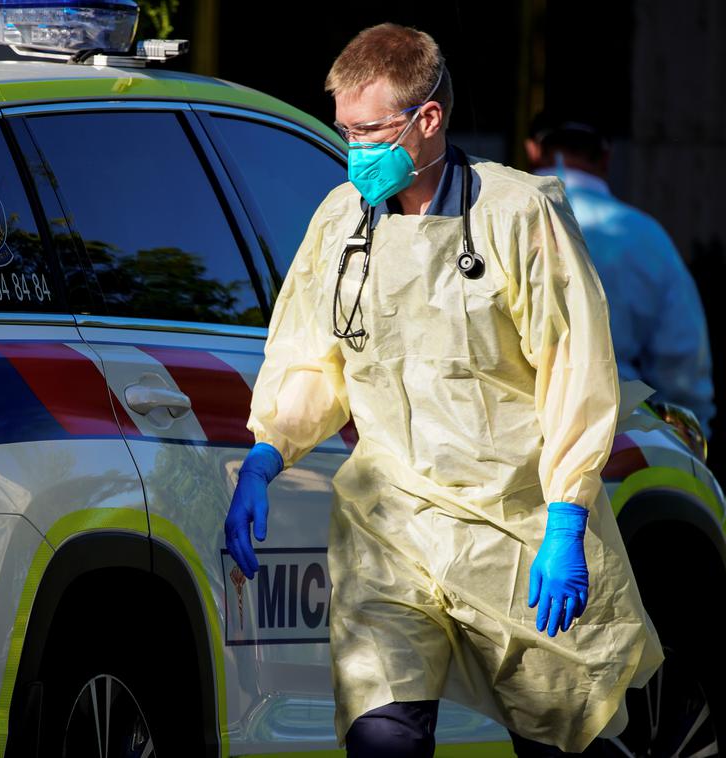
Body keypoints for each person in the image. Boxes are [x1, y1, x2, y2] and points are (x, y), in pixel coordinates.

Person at [224, 23, 663, 757]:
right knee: (382, 735)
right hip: (388, 530)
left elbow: (573, 370)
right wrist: (269, 452)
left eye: (369, 131)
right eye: (345, 131)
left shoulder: (518, 215)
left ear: (427, 120)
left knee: (563, 736)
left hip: (512, 527)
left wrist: (565, 518)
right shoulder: (340, 222)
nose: (353, 150)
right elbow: (309, 355)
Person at [526, 115, 715, 433]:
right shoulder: (646, 236)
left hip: (511, 441)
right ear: (607, 157)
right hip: (620, 441)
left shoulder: (493, 222)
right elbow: (682, 363)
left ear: (532, 150)